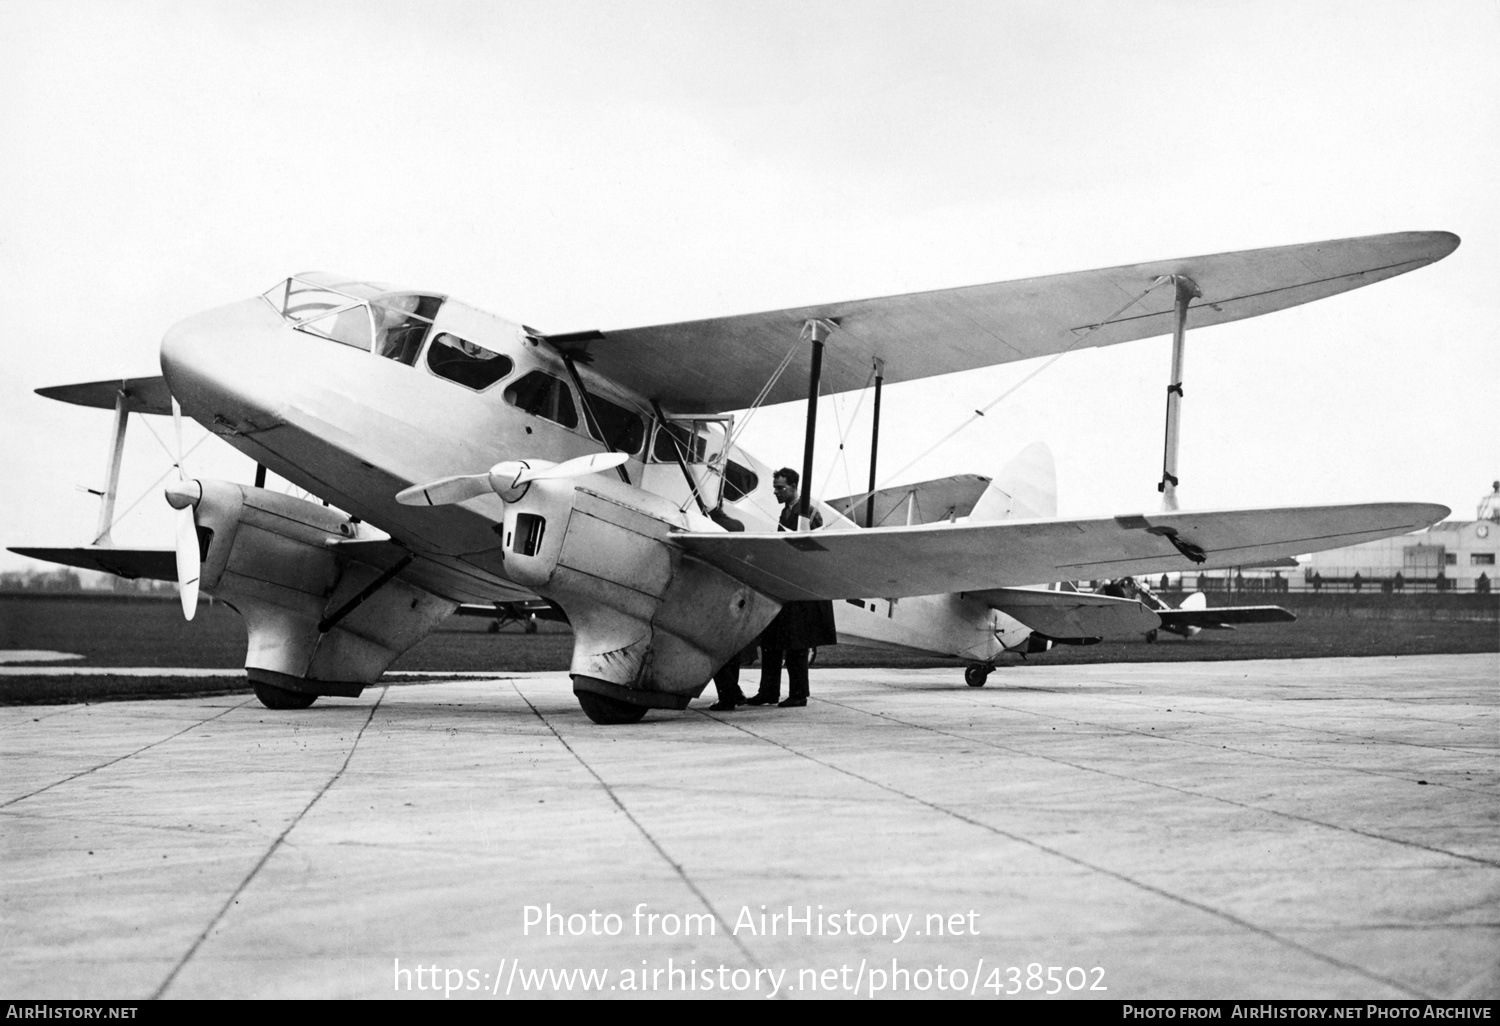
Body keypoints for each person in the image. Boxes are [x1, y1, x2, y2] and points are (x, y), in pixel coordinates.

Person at [746, 468, 837, 709]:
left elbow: (814, 551)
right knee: (773, 639)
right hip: (787, 586)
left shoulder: (806, 512)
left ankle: (798, 694)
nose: (775, 492)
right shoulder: (788, 511)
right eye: (775, 487)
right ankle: (768, 691)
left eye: (780, 488)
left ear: (794, 487)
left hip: (802, 590)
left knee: (797, 642)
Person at [705, 503, 750, 712]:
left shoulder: (710, 527)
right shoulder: (737, 526)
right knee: (732, 652)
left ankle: (728, 695)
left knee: (715, 649)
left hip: (718, 599)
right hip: (735, 599)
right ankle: (733, 692)